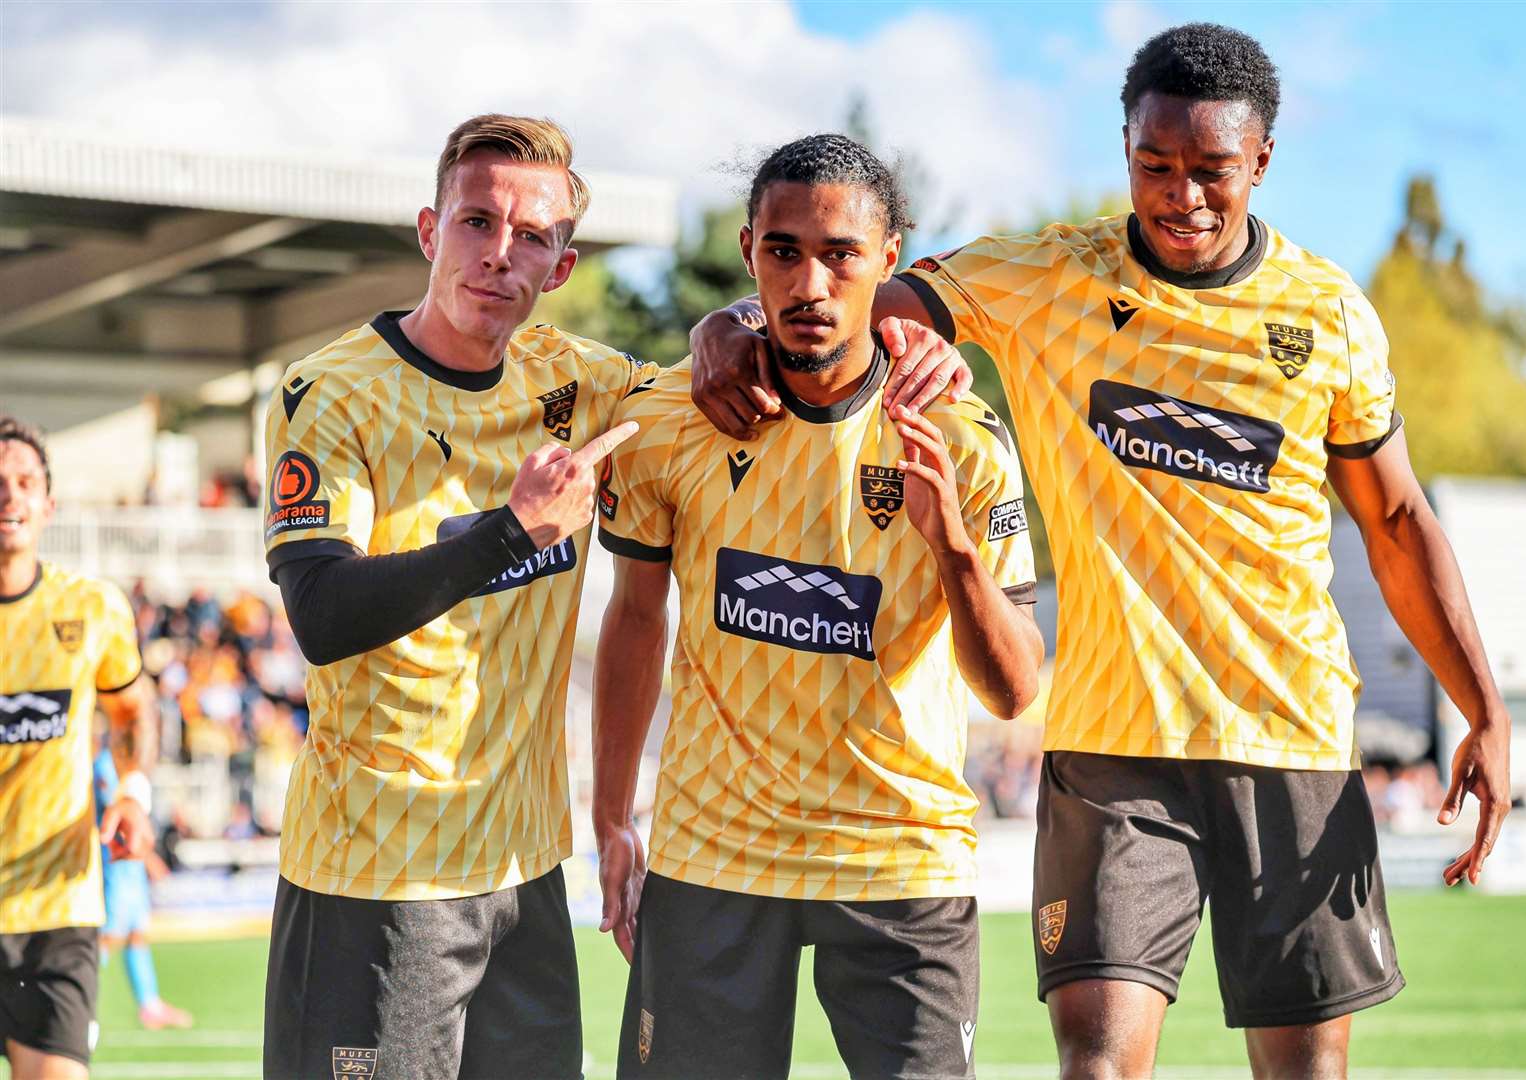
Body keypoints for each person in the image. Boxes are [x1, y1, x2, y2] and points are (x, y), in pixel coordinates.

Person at [690, 24, 1512, 1079]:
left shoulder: (1327, 315)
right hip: (1113, 746)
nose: (1183, 197)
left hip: (1292, 735)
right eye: (1155, 166)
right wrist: (731, 318)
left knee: (1305, 1071)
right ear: (1126, 144)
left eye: (1212, 171)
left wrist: (1483, 708)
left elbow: (1397, 524)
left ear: (1260, 160)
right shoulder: (1046, 275)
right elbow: (837, 305)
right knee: (1097, 1065)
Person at [593, 133, 1045, 1080]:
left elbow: (1012, 691)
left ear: (888, 260)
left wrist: (955, 550)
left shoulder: (960, 441)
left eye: (840, 254)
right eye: (784, 251)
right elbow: (637, 618)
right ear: (750, 249)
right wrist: (611, 817)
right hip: (715, 857)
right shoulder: (672, 417)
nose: (810, 284)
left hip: (899, 860)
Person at [256, 114, 643, 1080]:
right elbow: (322, 615)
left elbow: (719, 382)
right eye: (477, 223)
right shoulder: (330, 393)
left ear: (560, 266)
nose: (499, 255)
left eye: (533, 238)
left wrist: (735, 326)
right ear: (430, 231)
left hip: (525, 871)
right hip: (378, 873)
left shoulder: (584, 383)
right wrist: (512, 532)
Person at [0, 415, 159, 1080]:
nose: (9, 495)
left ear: (46, 503)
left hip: (55, 908)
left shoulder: (91, 608)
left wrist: (132, 794)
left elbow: (131, 710)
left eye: (24, 482)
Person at [92, 747, 193, 1031]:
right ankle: (77, 995)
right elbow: (121, 820)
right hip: (118, 862)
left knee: (137, 934)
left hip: (132, 868)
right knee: (108, 937)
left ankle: (149, 1005)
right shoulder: (106, 764)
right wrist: (151, 860)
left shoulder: (128, 766)